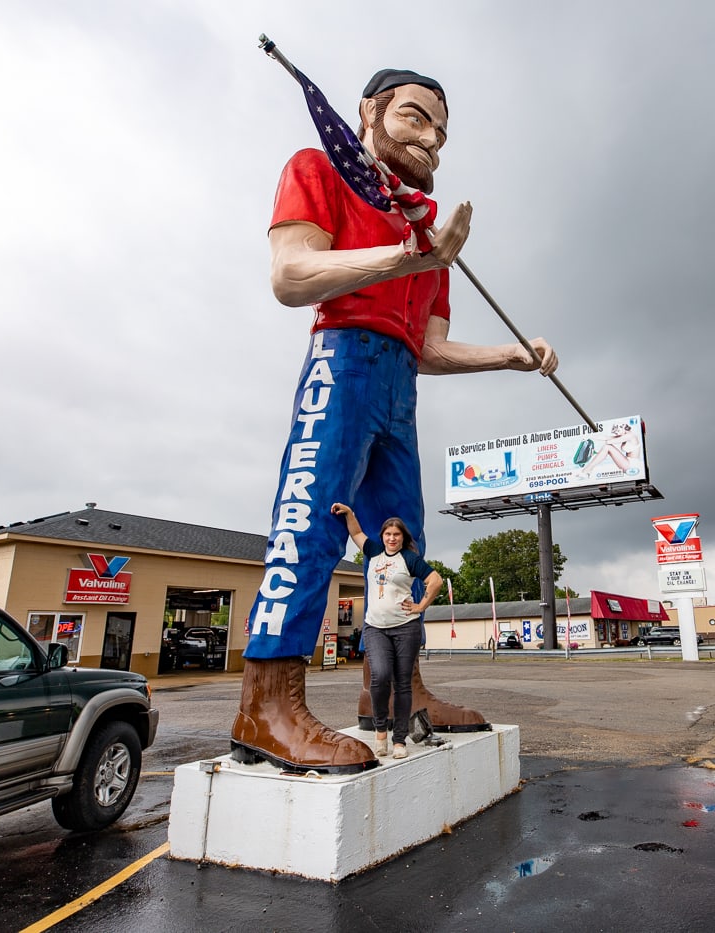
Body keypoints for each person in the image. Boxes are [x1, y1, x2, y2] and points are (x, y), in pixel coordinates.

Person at [231, 67, 558, 774]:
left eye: (441, 130)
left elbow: (431, 347)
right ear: (368, 113)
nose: (431, 138)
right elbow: (291, 276)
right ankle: (266, 704)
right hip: (342, 363)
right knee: (312, 523)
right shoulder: (320, 169)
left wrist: (511, 354)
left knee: (403, 544)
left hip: (399, 386)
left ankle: (396, 691)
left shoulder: (429, 238)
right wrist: (406, 255)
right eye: (414, 117)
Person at [331, 504, 439, 759]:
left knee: (403, 683)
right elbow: (356, 533)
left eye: (397, 535)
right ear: (382, 536)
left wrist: (421, 605)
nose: (392, 539)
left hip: (405, 628)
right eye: (388, 534)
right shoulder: (373, 552)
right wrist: (349, 513)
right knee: (379, 677)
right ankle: (381, 731)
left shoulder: (410, 559)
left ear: (403, 538)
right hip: (375, 627)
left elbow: (435, 581)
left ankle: (399, 740)